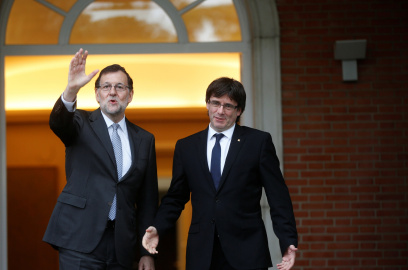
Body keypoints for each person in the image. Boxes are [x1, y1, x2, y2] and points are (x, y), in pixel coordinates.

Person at [142, 77, 298, 270]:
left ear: (239, 110)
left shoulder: (258, 143)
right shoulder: (186, 147)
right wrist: (158, 227)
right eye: (215, 103)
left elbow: (278, 197)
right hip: (202, 253)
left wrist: (287, 240)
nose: (220, 111)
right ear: (207, 104)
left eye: (228, 106)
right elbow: (175, 198)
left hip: (247, 251)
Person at [43, 48, 158, 270]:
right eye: (106, 87)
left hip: (122, 245)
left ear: (130, 95)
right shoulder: (80, 122)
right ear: (97, 94)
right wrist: (71, 90)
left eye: (120, 87)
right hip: (79, 239)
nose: (112, 92)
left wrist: (146, 252)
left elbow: (147, 201)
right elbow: (58, 123)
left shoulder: (145, 139)